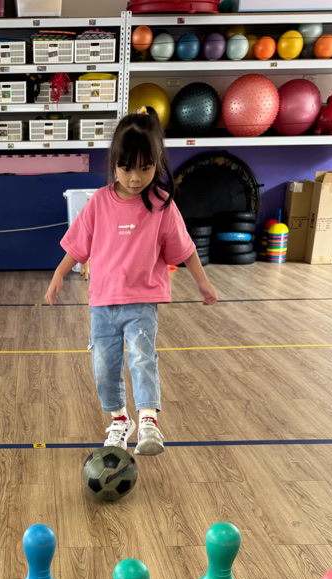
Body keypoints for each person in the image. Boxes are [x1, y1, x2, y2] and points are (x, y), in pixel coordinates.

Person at [45, 107, 217, 455]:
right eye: (126, 168)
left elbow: (184, 249)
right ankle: (120, 420)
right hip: (102, 305)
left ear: (157, 163)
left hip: (141, 302)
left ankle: (149, 421)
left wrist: (203, 282)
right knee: (104, 369)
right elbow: (78, 246)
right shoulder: (99, 202)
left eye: (145, 168)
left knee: (141, 358)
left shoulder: (161, 205)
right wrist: (59, 274)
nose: (135, 178)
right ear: (114, 164)